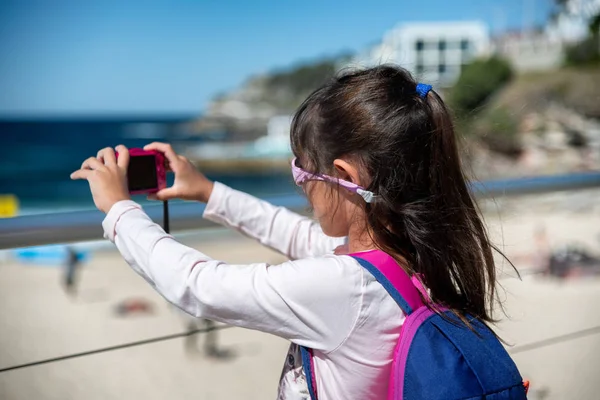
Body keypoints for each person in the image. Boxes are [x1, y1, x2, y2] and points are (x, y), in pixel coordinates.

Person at [71, 65, 507, 399]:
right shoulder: (409, 255)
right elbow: (296, 235)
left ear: (344, 175)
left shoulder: (344, 287)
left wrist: (119, 208)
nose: (301, 188)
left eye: (302, 171)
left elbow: (199, 286)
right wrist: (208, 192)